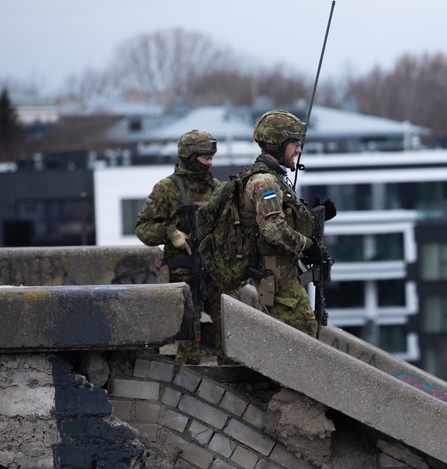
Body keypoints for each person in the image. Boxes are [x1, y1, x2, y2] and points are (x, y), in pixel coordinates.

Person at [238, 109, 336, 337]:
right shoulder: (265, 182)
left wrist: (313, 217)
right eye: (294, 144)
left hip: (283, 273)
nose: (299, 150)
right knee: (303, 334)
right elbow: (273, 230)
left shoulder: (275, 179)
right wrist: (308, 245)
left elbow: (279, 220)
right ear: (276, 145)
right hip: (277, 277)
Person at [135, 129, 227, 365]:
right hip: (182, 273)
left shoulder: (215, 188)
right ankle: (187, 381)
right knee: (187, 334)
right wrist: (171, 233)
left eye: (211, 154)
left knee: (229, 328)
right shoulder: (167, 189)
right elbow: (143, 228)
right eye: (204, 154)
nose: (210, 159)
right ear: (189, 155)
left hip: (214, 272)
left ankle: (233, 375)